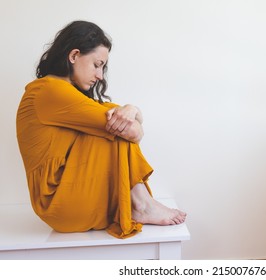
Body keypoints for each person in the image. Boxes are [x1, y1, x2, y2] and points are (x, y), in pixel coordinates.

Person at [16, 20, 186, 239]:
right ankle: (141, 205)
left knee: (112, 122)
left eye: (102, 68)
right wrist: (129, 114)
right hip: (63, 204)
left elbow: (133, 126)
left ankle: (141, 204)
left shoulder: (64, 94)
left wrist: (132, 109)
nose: (100, 76)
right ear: (74, 55)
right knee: (113, 129)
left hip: (71, 201)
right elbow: (133, 132)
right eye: (97, 64)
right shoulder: (49, 91)